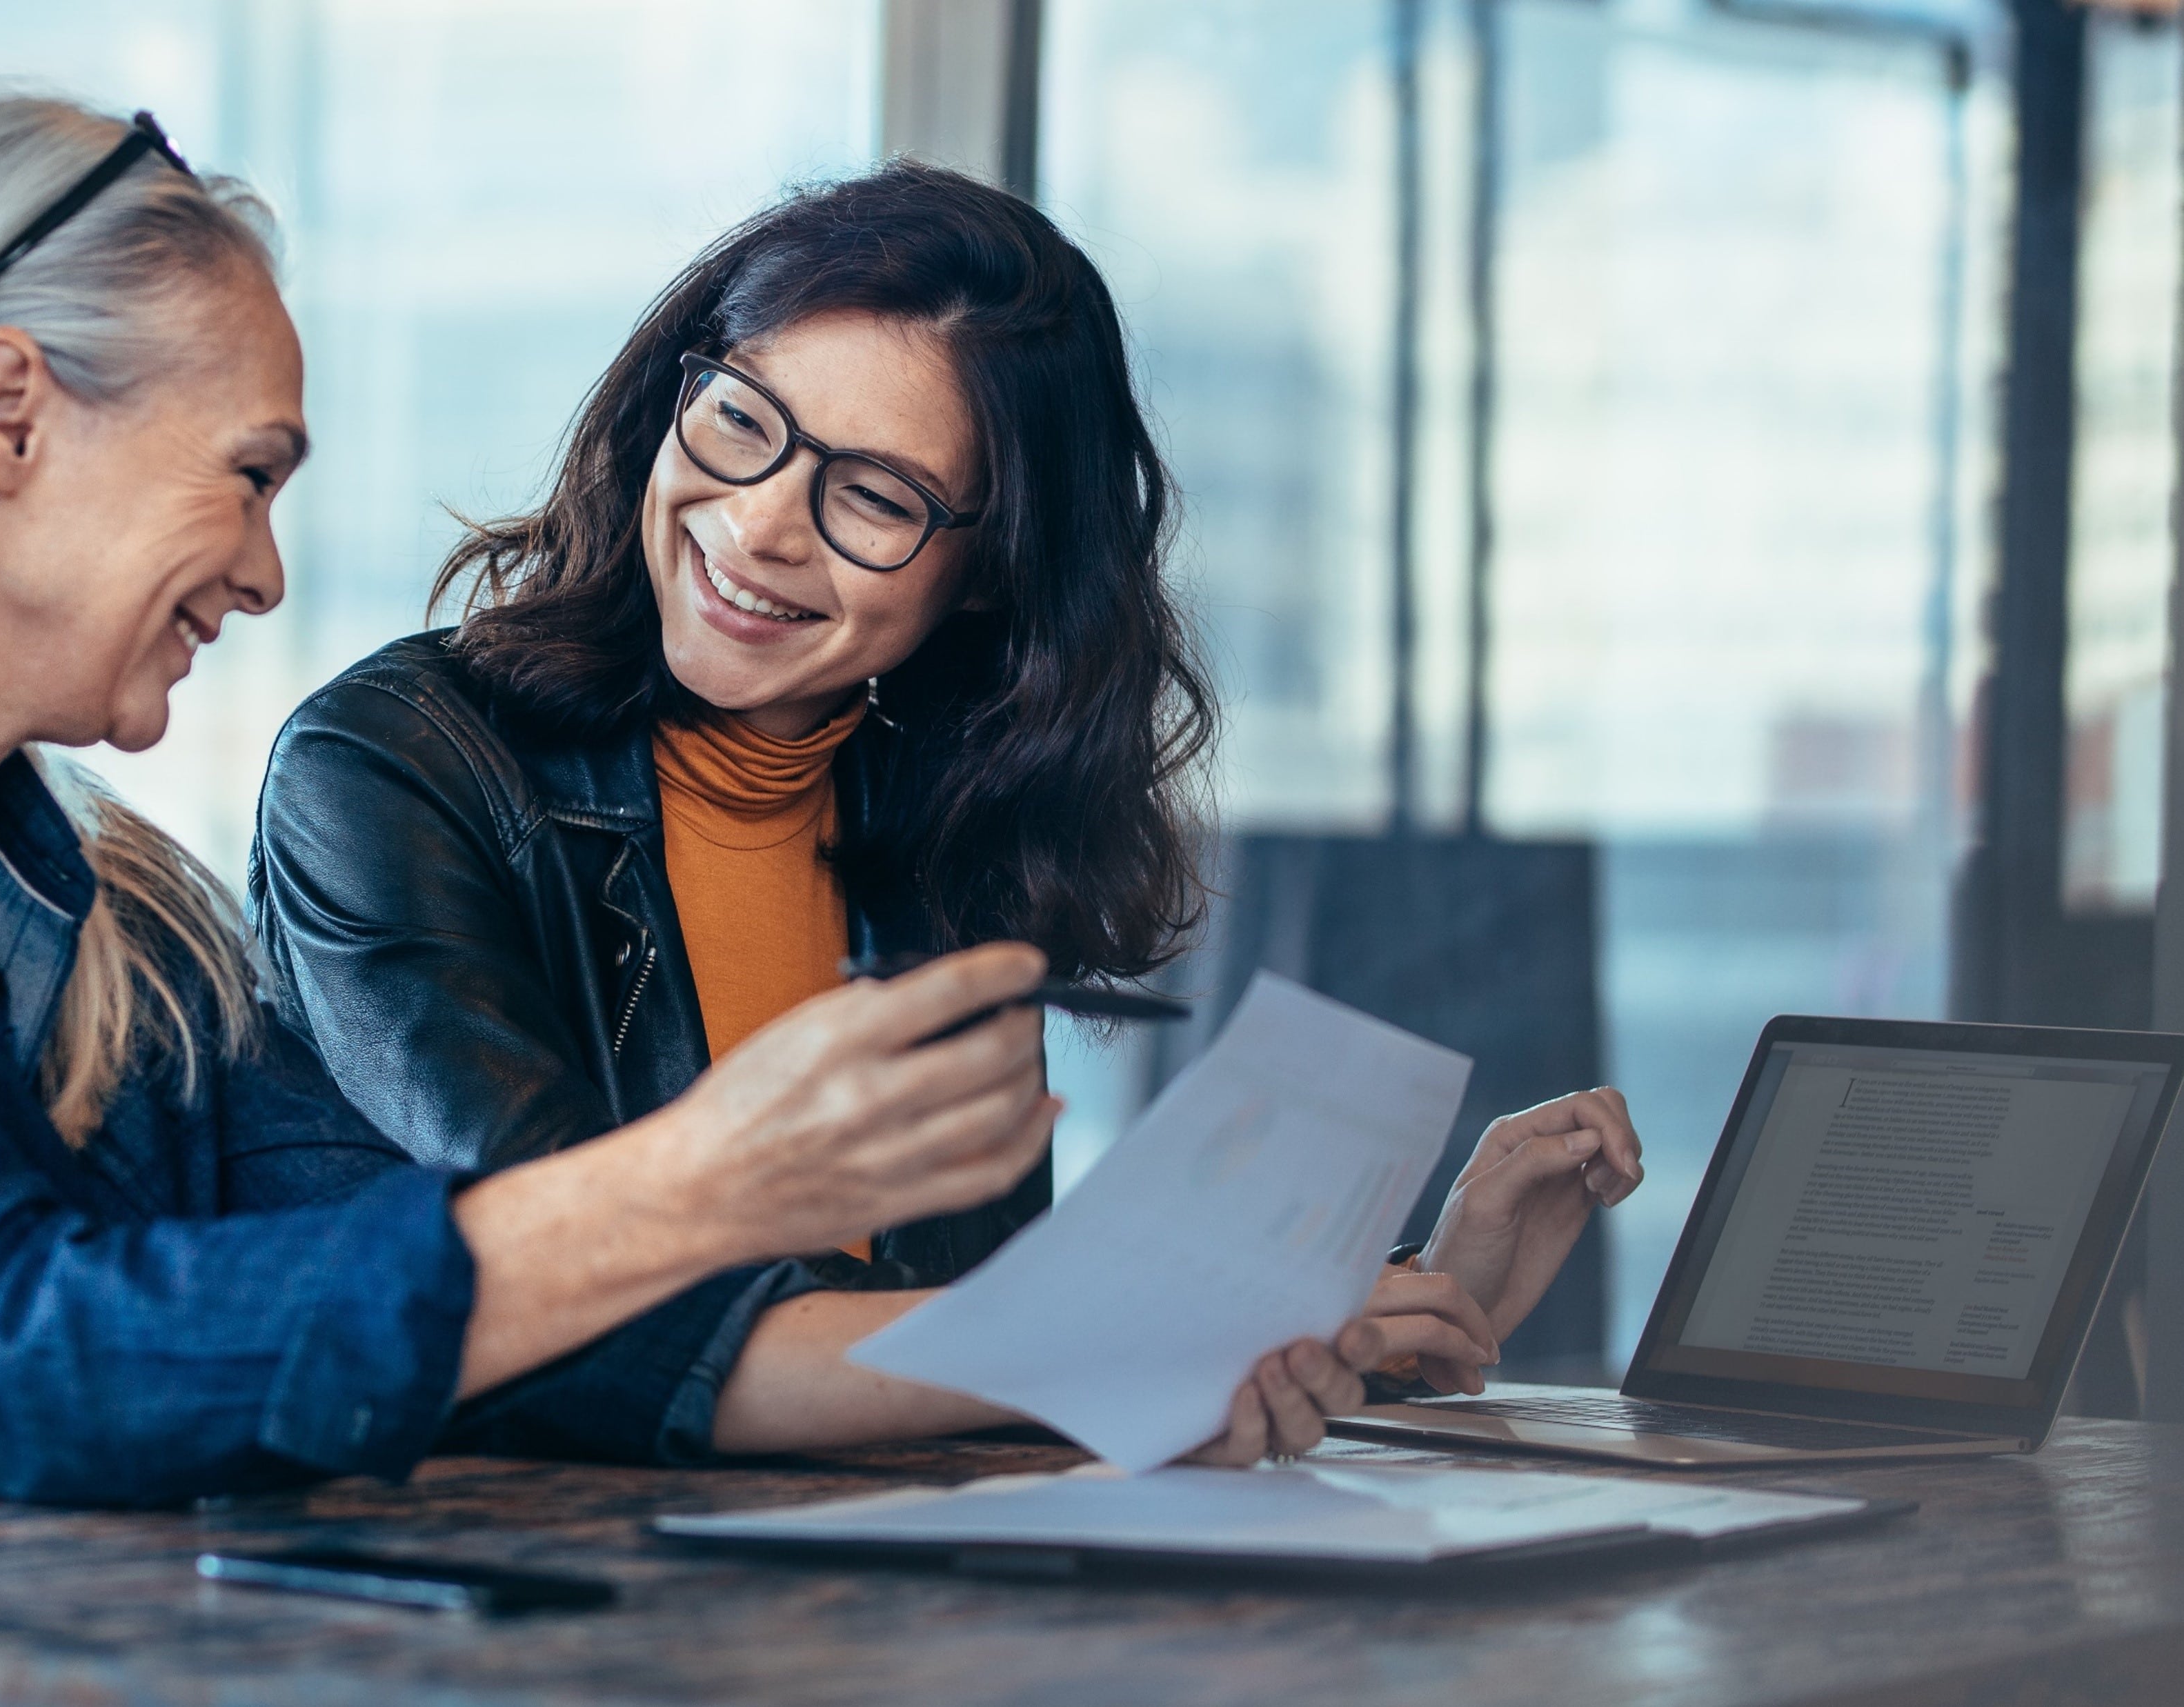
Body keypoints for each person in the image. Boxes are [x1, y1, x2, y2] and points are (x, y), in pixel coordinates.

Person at [0, 92, 1483, 1528]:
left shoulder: (88, 898)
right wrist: (693, 1185)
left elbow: (493, 1324)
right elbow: (23, 1354)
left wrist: (1148, 1352)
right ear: (5, 417)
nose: (262, 571)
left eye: (866, 495)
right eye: (247, 474)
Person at [252, 161, 1643, 1371]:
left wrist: (1380, 1301)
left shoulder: (944, 832)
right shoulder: (391, 766)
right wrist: (1159, 1328)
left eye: (871, 496)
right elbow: (565, 1282)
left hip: (866, 1582)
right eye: (740, 420)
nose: (757, 526)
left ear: (985, 577)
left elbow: (981, 1345)